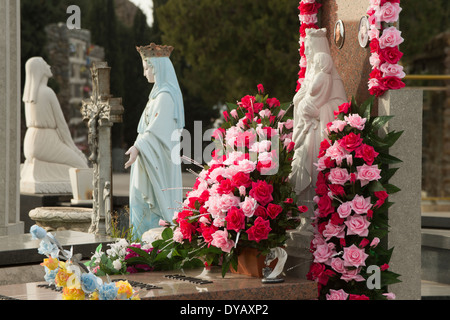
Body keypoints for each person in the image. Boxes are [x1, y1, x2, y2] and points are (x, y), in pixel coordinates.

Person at [125, 43, 184, 239]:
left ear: (157, 67)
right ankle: (140, 251)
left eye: (147, 68)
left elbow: (157, 133)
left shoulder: (165, 97)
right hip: (147, 160)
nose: (144, 74)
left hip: (157, 163)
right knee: (140, 206)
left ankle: (149, 252)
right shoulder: (156, 97)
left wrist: (137, 147)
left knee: (150, 211)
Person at [21, 57, 88, 193]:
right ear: (40, 70)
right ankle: (46, 175)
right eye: (44, 63)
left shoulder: (29, 95)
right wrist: (73, 148)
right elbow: (61, 125)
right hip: (46, 140)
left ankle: (40, 171)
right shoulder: (47, 92)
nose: (48, 65)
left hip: (29, 143)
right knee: (82, 166)